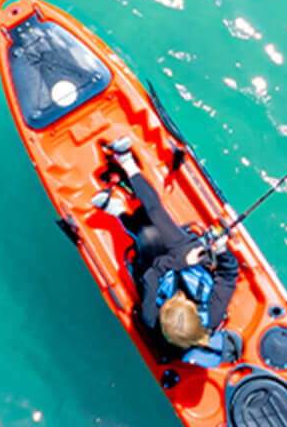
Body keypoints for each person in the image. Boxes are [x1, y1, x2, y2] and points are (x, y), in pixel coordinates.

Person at [95, 137, 241, 359]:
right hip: (189, 261)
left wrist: (181, 262)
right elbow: (228, 275)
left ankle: (119, 213)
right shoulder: (210, 316)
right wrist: (221, 249)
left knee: (148, 236)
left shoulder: (151, 317)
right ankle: (127, 162)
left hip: (162, 268)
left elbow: (152, 274)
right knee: (157, 214)